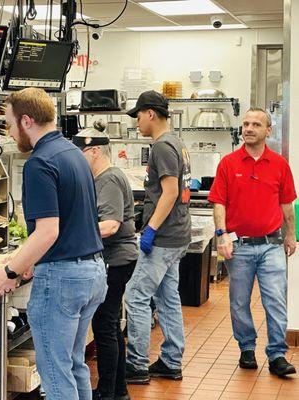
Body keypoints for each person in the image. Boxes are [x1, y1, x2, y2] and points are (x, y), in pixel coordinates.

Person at [0, 88, 108, 400]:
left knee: (55, 375)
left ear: (27, 121)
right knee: (73, 364)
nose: (11, 132)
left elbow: (47, 232)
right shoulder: (74, 154)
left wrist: (11, 270)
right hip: (93, 273)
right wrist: (27, 261)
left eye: (10, 125)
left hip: (63, 280)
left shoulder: (40, 162)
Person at [208, 108, 297, 377]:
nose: (248, 128)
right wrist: (221, 234)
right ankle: (246, 348)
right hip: (240, 246)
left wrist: (291, 235)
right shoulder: (228, 163)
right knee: (238, 301)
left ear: (268, 130)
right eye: (246, 124)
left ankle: (277, 354)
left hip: (272, 244)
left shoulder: (280, 164)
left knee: (275, 300)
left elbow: (287, 205)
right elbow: (219, 203)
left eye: (256, 124)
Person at [124, 91, 192, 384]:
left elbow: (171, 192)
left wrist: (150, 228)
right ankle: (171, 360)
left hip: (163, 239)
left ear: (151, 113)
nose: (137, 122)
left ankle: (137, 365)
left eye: (138, 115)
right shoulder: (176, 142)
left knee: (136, 296)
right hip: (178, 235)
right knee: (167, 298)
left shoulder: (162, 146)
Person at [73, 129, 138, 400]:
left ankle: (107, 392)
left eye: (81, 153)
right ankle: (118, 390)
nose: (77, 159)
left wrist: (71, 232)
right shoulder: (99, 178)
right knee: (109, 325)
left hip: (116, 259)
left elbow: (110, 225)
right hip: (116, 259)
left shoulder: (109, 178)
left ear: (95, 151)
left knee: (104, 324)